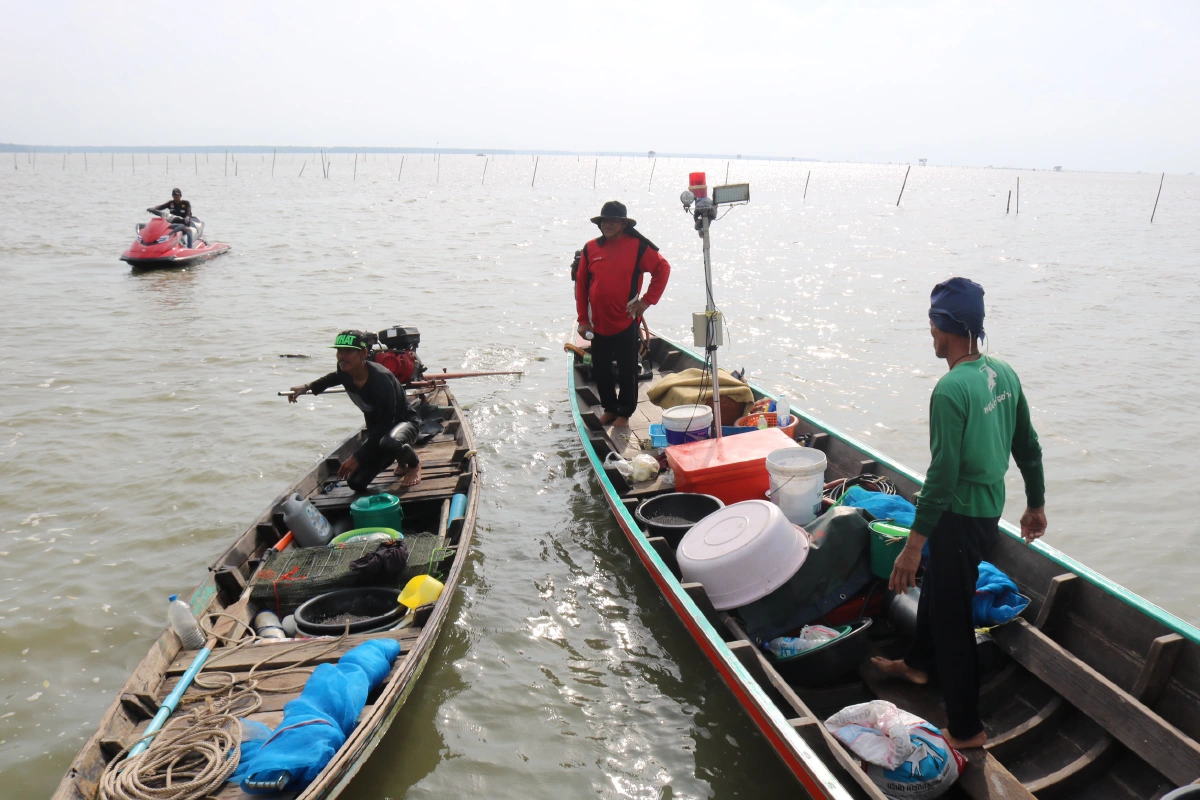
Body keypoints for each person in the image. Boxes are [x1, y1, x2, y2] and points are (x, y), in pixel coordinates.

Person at [871, 277, 1047, 750]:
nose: (929, 334)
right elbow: (1027, 445)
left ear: (942, 327)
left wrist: (913, 545)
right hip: (987, 513)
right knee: (940, 590)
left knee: (952, 618)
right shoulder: (1004, 373)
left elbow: (942, 476)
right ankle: (918, 664)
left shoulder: (950, 390)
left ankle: (966, 729)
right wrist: (1035, 503)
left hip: (957, 516)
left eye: (931, 325)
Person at [574, 201, 670, 427]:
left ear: (623, 224)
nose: (607, 224)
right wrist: (582, 320)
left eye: (613, 221)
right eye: (604, 220)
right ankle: (609, 407)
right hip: (597, 323)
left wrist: (646, 301)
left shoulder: (638, 246)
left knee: (628, 370)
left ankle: (625, 412)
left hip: (626, 321)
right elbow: (581, 285)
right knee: (600, 368)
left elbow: (662, 269)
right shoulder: (590, 248)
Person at [287, 330, 422, 490]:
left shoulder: (380, 379)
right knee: (356, 483)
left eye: (348, 351)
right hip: (378, 431)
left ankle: (413, 463)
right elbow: (333, 378)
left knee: (390, 443)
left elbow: (387, 423)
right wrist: (307, 387)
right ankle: (398, 458)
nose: (342, 356)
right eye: (339, 351)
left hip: (403, 423)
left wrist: (357, 457)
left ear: (363, 353)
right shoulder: (345, 370)